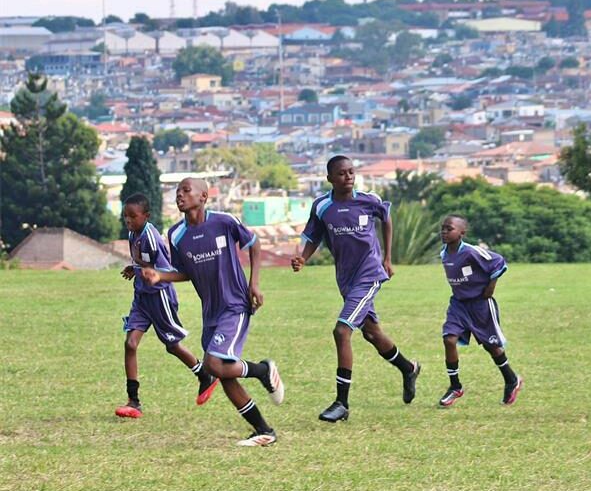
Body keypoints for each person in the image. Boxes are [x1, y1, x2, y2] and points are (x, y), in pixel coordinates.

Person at [141, 178, 285, 447]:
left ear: (203, 196)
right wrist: (160, 275)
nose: (180, 196)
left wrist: (254, 284)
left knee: (214, 364)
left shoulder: (224, 221)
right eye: (177, 192)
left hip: (235, 305)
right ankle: (264, 430)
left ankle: (263, 370)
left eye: (186, 191)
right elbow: (184, 271)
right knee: (223, 372)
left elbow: (254, 244)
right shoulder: (176, 234)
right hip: (210, 313)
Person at [291, 155, 420, 423]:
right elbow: (314, 236)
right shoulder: (322, 206)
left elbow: (386, 218)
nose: (348, 176)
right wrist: (303, 257)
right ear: (329, 178)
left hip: (369, 275)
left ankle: (342, 403)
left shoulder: (368, 200)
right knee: (372, 334)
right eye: (341, 173)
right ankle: (408, 368)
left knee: (342, 331)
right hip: (346, 279)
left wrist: (387, 258)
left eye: (351, 172)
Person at [115, 193, 218, 419]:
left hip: (159, 296)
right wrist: (134, 268)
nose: (128, 220)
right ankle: (133, 401)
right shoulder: (133, 233)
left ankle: (204, 375)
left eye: (132, 216)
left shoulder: (152, 238)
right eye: (125, 216)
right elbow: (143, 261)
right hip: (142, 298)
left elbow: (165, 270)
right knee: (130, 344)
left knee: (172, 345)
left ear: (146, 216)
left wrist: (150, 274)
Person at [437, 215, 522, 407]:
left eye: (449, 229)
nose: (444, 232)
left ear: (462, 233)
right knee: (449, 339)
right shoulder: (444, 253)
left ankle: (511, 379)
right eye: (443, 228)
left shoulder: (471, 252)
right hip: (458, 305)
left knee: (491, 346)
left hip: (480, 305)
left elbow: (498, 262)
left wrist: (490, 288)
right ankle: (455, 386)